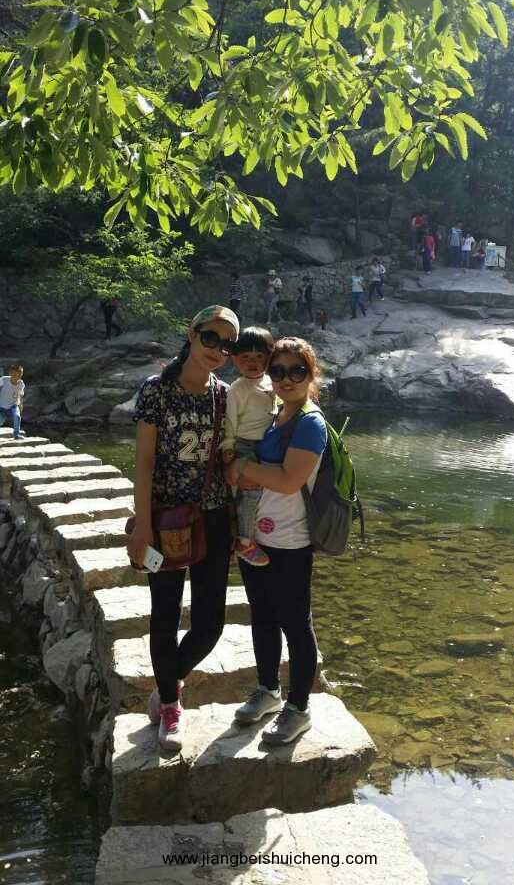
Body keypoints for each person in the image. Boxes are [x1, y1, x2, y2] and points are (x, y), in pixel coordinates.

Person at [126, 304, 239, 751]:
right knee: (165, 615)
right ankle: (171, 705)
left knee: (210, 624)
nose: (218, 350)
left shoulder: (225, 396)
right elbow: (144, 462)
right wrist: (143, 526)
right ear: (192, 334)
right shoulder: (156, 390)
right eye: (211, 338)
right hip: (166, 519)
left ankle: (167, 682)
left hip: (213, 518)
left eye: (227, 344)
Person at [227, 338, 327, 746]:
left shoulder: (309, 422)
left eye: (296, 371)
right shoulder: (276, 414)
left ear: (311, 374)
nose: (286, 379)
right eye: (278, 371)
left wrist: (243, 467)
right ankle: (268, 690)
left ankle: (298, 709)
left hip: (291, 540)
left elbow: (288, 481)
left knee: (296, 625)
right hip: (258, 537)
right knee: (264, 617)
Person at [221, 327, 276, 567]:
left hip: (268, 442)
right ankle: (244, 541)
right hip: (245, 444)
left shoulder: (271, 382)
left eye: (259, 357)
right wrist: (228, 447)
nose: (252, 363)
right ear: (235, 359)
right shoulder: (237, 389)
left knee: (266, 491)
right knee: (250, 492)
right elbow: (230, 420)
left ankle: (262, 532)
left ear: (269, 358)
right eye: (246, 357)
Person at [0, 365, 25, 439]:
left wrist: (21, 406)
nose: (17, 375)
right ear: (10, 373)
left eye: (20, 373)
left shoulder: (21, 384)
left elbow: (20, 396)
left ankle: (16, 434)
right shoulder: (3, 380)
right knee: (0, 421)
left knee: (17, 416)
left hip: (13, 406)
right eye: (15, 373)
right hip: (2, 406)